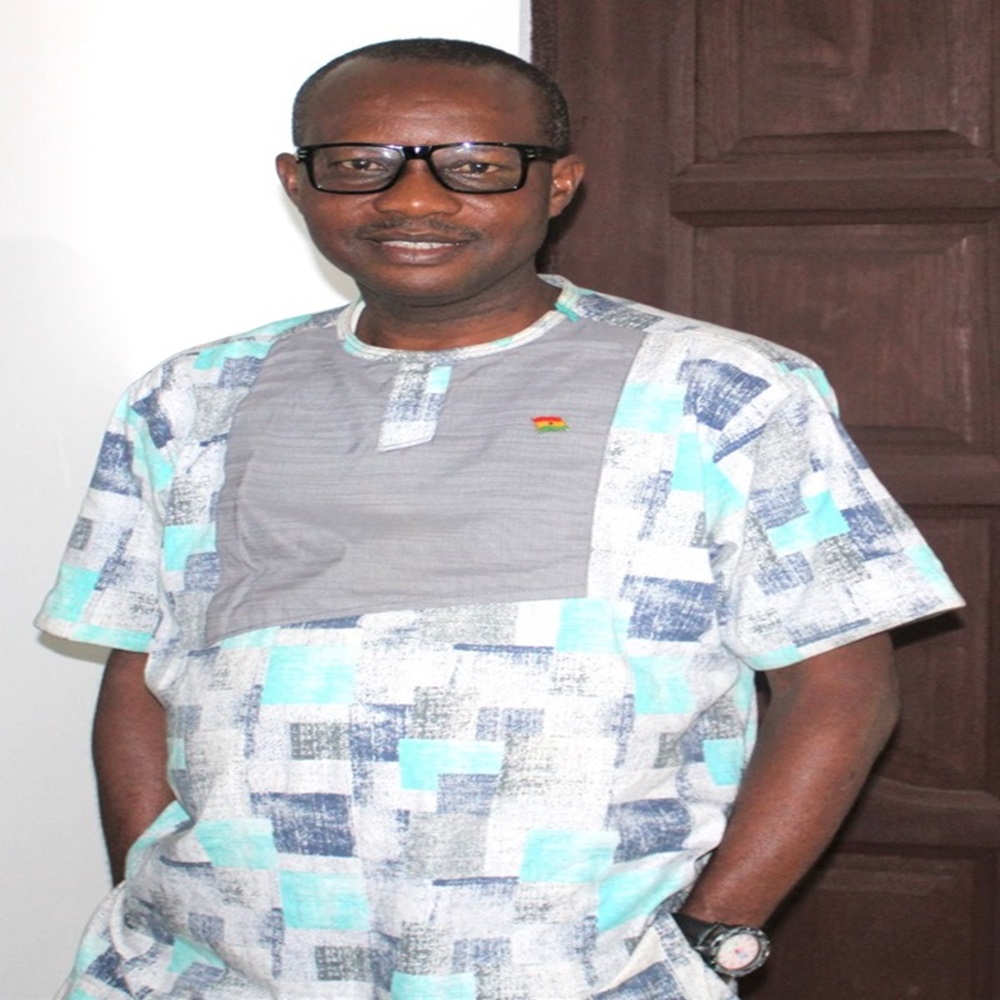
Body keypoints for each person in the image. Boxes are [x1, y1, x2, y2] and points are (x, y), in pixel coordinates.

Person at [36, 37, 963, 1000]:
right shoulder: (189, 398)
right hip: (209, 973)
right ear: (296, 182)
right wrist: (147, 882)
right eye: (360, 164)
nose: (413, 200)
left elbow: (842, 691)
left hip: (581, 975)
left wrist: (709, 938)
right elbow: (139, 663)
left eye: (476, 166)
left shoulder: (722, 390)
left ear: (557, 185)